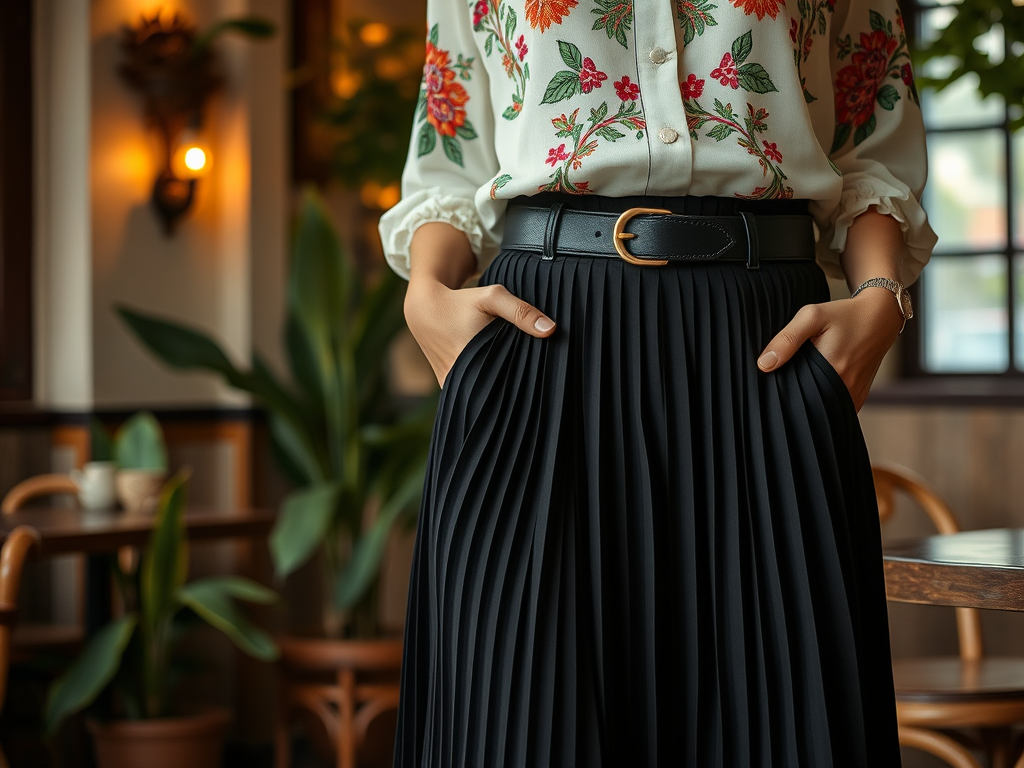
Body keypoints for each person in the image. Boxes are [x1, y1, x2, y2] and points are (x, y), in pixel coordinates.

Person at [379, 0, 936, 763]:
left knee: (786, 723)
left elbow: (870, 142)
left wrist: (881, 298)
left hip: (763, 347)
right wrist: (427, 296)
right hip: (538, 348)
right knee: (517, 726)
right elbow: (450, 163)